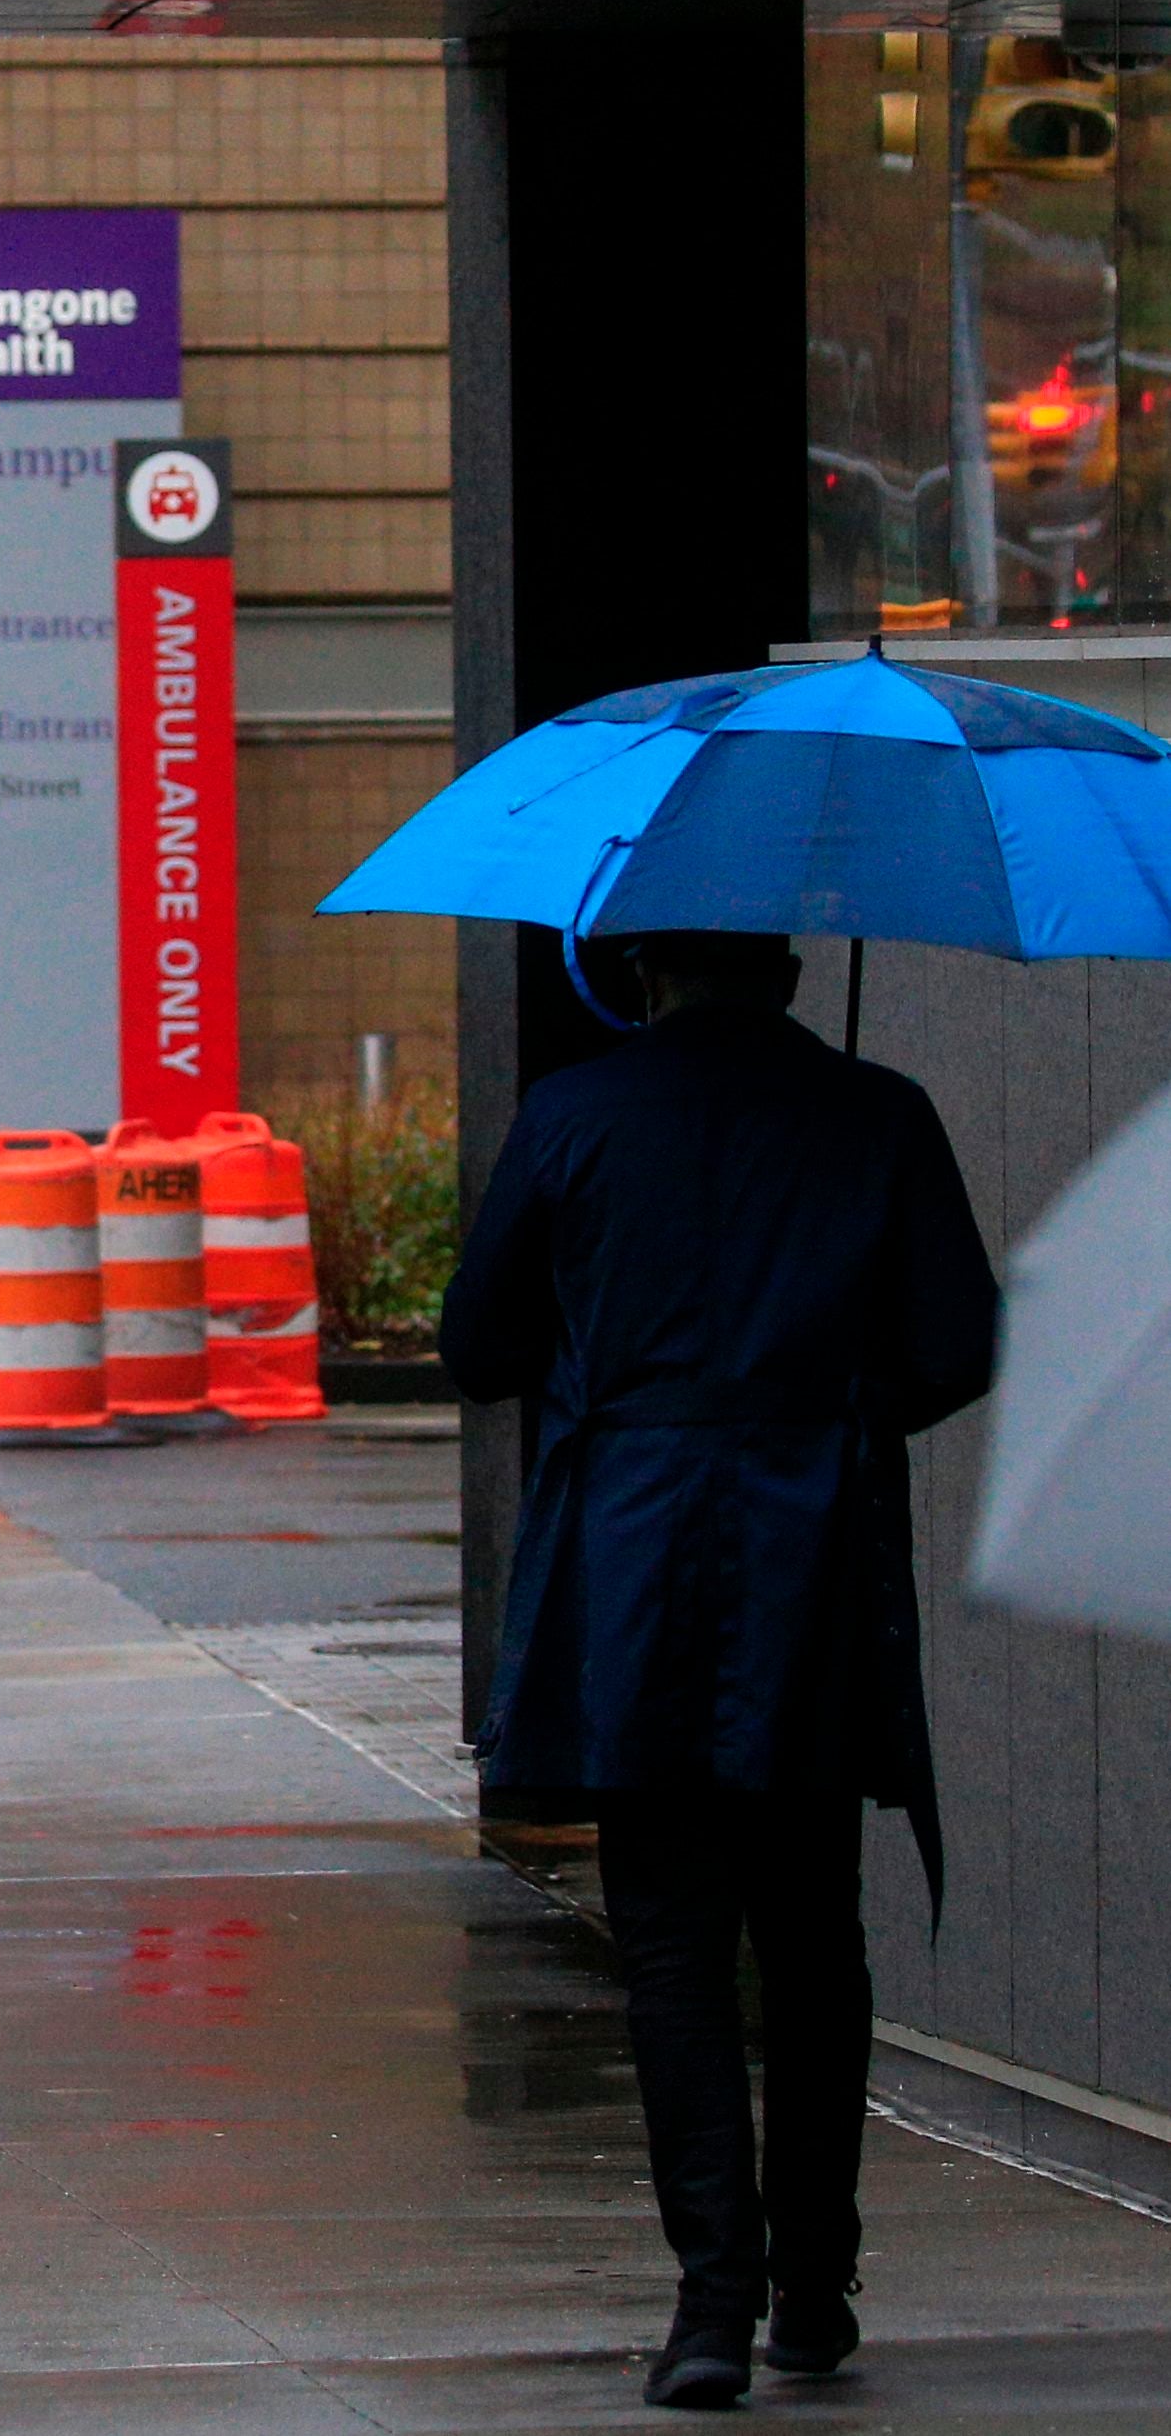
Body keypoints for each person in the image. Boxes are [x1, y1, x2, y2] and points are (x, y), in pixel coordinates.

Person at [442, 928, 996, 2412]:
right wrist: (830, 1400)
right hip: (804, 1554)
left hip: (626, 1560)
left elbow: (474, 1340)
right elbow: (952, 1343)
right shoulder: (876, 1113)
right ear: (793, 976)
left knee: (673, 1943)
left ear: (636, 978)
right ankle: (813, 2286)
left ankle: (708, 2302)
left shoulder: (570, 1115)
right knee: (812, 1935)